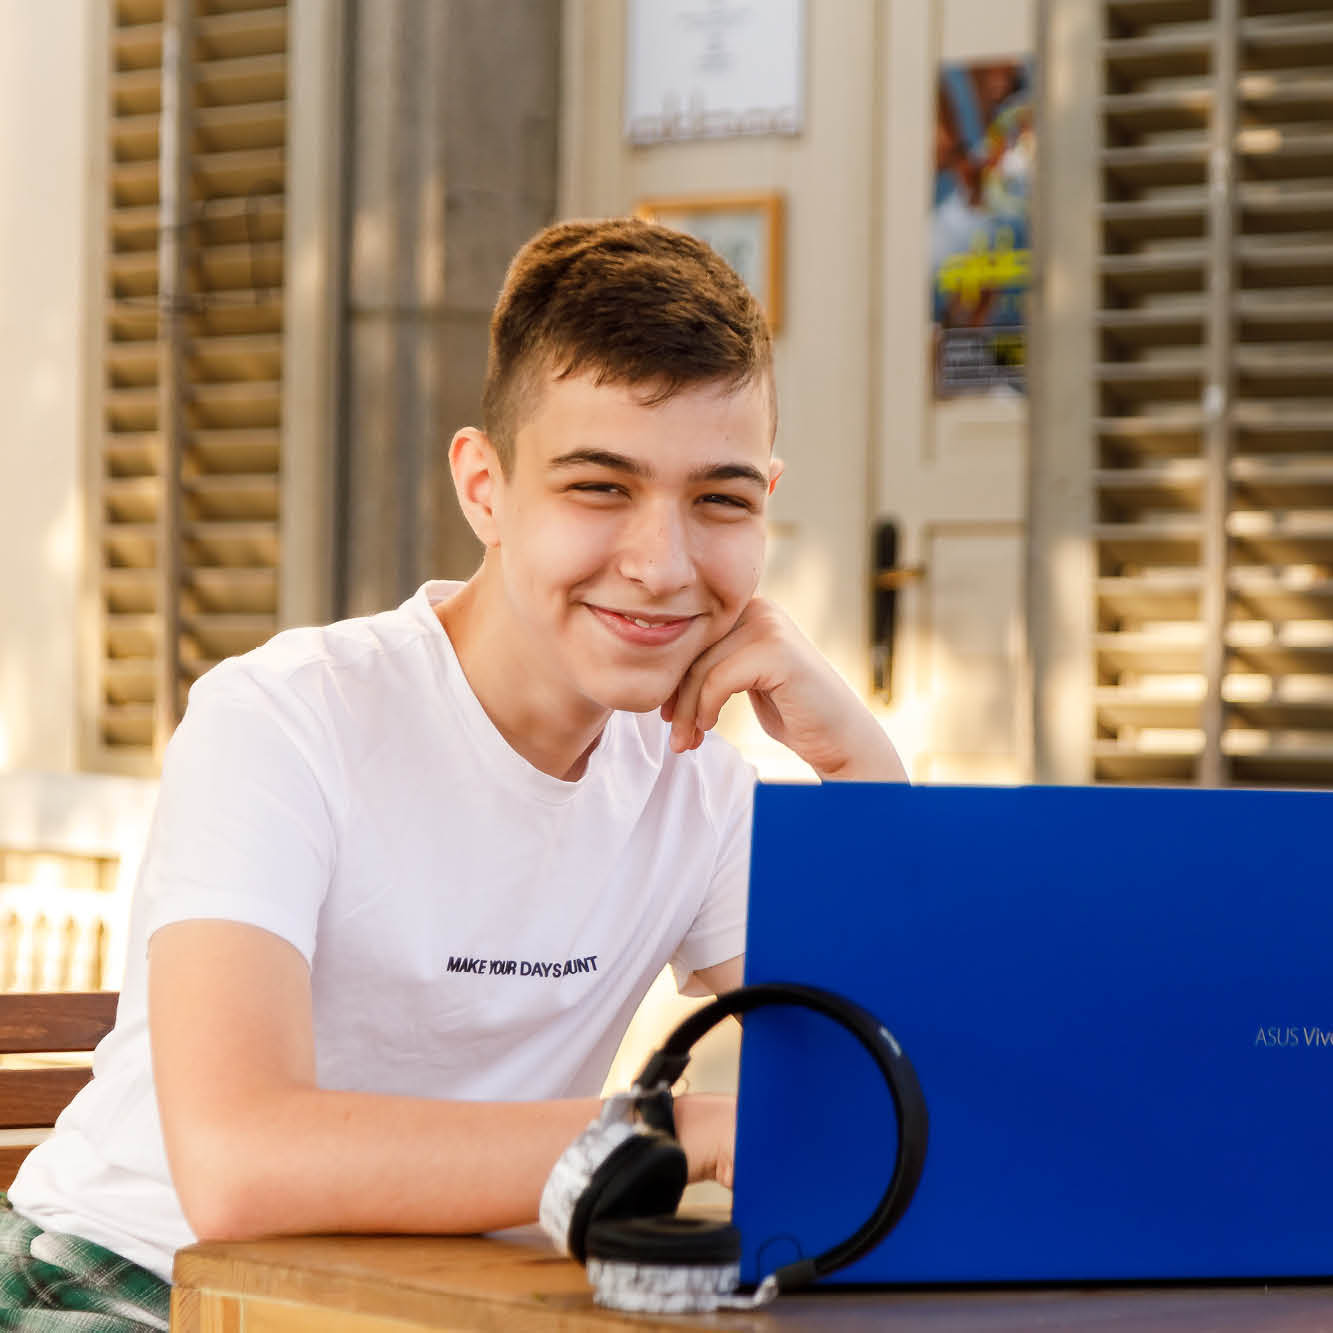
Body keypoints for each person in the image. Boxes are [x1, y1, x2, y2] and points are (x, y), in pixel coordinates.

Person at [3, 217, 906, 1326]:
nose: (663, 563)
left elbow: (896, 1092)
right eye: (599, 487)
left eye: (720, 499)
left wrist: (857, 761)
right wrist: (669, 1130)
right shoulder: (285, 717)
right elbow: (241, 1164)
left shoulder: (699, 786)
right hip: (131, 1283)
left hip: (434, 1305)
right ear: (484, 487)